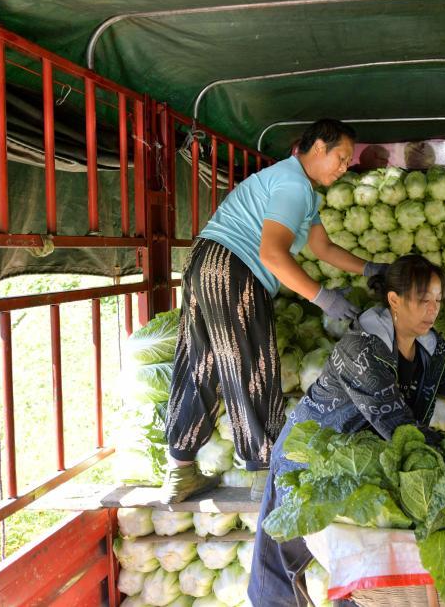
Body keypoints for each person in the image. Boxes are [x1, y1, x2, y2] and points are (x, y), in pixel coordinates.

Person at [249, 254, 445, 606]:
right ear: (395, 300)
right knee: (280, 573)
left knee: (358, 577)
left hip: (360, 462)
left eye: (437, 301)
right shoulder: (362, 350)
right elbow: (398, 425)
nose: (432, 310)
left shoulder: (430, 347)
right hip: (310, 460)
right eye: (422, 301)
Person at [162, 119, 388, 503]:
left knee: (200, 362)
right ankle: (264, 476)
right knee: (253, 365)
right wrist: (323, 298)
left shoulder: (304, 192)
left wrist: (370, 269)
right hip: (234, 268)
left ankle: (180, 471)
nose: (345, 166)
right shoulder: (293, 184)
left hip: (206, 262)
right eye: (342, 157)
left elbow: (324, 249)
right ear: (317, 148)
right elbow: (271, 254)